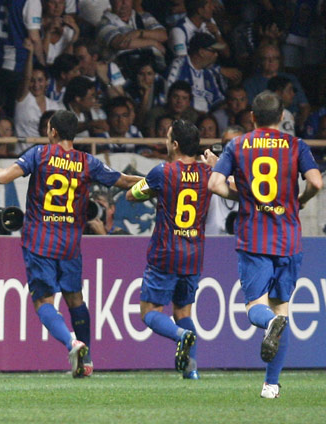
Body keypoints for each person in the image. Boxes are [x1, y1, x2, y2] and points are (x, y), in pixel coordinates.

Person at [0, 109, 143, 378]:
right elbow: (125, 182)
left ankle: (71, 343)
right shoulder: (88, 162)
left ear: (52, 131)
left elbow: (2, 176)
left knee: (43, 301)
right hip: (70, 243)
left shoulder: (39, 155)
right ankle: (86, 358)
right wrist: (156, 185)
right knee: (75, 299)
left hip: (39, 241)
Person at [208, 90, 323, 398]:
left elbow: (215, 184)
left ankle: (269, 324)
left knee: (256, 308)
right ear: (283, 117)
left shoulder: (238, 144)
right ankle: (271, 385)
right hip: (288, 238)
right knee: (282, 309)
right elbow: (316, 182)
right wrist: (299, 201)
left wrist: (243, 196)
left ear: (253, 118)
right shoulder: (295, 145)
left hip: (254, 237)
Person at [126, 119, 215, 380]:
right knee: (183, 312)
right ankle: (192, 371)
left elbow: (132, 195)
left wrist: (152, 192)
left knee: (149, 312)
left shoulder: (162, 172)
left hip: (166, 252)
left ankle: (180, 335)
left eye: (167, 138)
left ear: (175, 145)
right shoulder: (208, 174)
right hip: (194, 254)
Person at [204, 125, 242, 236]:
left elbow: (248, 190)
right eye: (226, 144)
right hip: (213, 242)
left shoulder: (254, 173)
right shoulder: (209, 172)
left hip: (245, 243)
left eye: (235, 144)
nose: (230, 148)